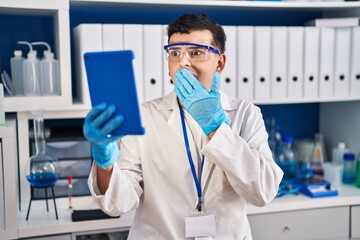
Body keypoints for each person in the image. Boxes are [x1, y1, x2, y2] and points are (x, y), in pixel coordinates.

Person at [84, 13, 283, 239]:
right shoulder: (144, 116)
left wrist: (216, 127)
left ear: (220, 62)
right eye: (175, 53)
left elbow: (263, 192)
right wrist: (105, 161)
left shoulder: (246, 114)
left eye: (196, 52)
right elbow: (118, 204)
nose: (183, 62)